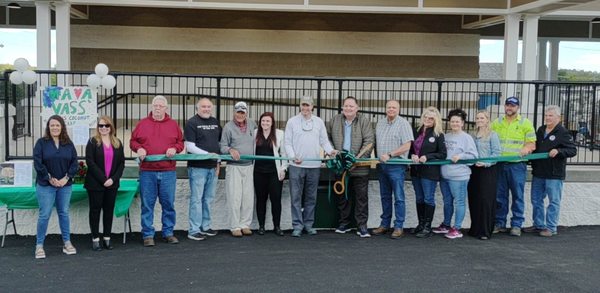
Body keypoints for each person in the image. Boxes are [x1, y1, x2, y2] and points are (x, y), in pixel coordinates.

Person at [130, 95, 184, 247]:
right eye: (155, 105)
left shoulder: (173, 125)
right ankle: (148, 234)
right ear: (152, 107)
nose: (158, 108)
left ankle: (168, 233)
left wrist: (175, 148)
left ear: (166, 108)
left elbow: (181, 142)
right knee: (147, 204)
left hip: (168, 171)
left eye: (161, 106)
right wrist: (139, 148)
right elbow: (133, 141)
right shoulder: (142, 124)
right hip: (147, 171)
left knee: (168, 204)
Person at [284, 96, 337, 237]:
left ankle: (308, 224)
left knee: (311, 197)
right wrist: (293, 156)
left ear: (312, 107)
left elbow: (324, 141)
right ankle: (297, 225)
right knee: (295, 197)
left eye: (308, 105)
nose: (305, 108)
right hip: (296, 165)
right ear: (300, 106)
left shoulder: (319, 122)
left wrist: (330, 151)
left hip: (314, 166)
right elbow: (287, 143)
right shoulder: (292, 122)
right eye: (303, 105)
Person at [327, 96, 374, 238]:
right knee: (342, 197)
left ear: (357, 108)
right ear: (342, 108)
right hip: (340, 166)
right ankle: (344, 224)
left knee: (361, 198)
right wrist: (333, 153)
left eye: (351, 106)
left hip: (360, 167)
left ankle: (362, 226)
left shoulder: (364, 121)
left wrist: (356, 160)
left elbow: (369, 142)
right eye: (346, 106)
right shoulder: (335, 120)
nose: (348, 108)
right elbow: (326, 138)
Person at [526, 105, 576, 237]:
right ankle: (538, 225)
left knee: (554, 201)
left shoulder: (563, 132)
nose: (547, 118)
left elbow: (572, 150)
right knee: (536, 200)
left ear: (558, 117)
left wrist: (559, 151)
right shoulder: (541, 130)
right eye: (546, 115)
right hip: (539, 172)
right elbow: (535, 147)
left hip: (554, 174)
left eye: (550, 116)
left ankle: (551, 227)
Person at [33, 115, 78, 259]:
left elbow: (74, 163)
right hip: (46, 185)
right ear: (48, 127)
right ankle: (39, 246)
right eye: (52, 125)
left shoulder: (68, 144)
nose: (55, 128)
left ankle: (67, 243)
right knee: (44, 215)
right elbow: (38, 163)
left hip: (65, 185)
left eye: (57, 125)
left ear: (62, 127)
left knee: (63, 213)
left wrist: (66, 178)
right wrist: (50, 178)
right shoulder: (41, 143)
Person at [491, 97, 536, 237]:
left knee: (517, 195)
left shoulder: (525, 123)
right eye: (507, 105)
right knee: (499, 196)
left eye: (513, 105)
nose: (509, 108)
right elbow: (489, 138)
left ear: (518, 107)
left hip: (517, 165)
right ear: (504, 106)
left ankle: (516, 224)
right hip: (500, 164)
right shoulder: (497, 122)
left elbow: (531, 143)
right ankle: (500, 223)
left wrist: (526, 149)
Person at [373, 100, 414, 239]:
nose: (391, 109)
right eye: (389, 107)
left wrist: (390, 154)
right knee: (384, 196)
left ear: (399, 109)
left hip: (396, 165)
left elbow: (407, 146)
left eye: (394, 107)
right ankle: (384, 224)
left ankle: (398, 226)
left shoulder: (403, 124)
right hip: (382, 166)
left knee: (399, 197)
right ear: (385, 109)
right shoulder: (380, 123)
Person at [84, 116, 125, 251]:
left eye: (106, 126)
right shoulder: (92, 142)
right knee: (95, 211)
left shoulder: (117, 143)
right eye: (101, 126)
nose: (103, 128)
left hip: (112, 184)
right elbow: (90, 162)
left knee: (108, 211)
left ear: (111, 127)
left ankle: (107, 238)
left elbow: (121, 164)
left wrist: (112, 179)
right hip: (96, 184)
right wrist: (103, 179)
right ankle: (95, 238)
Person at [436, 109, 478, 239]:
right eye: (452, 121)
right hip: (445, 175)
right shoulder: (446, 136)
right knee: (447, 202)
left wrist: (461, 156)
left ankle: (457, 228)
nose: (454, 123)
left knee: (459, 202)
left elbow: (474, 156)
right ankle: (446, 225)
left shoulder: (467, 138)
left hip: (459, 176)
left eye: (457, 122)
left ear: (462, 123)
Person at [184, 98, 222, 241]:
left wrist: (218, 161)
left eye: (208, 107)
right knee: (196, 200)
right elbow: (189, 146)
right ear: (197, 108)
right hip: (197, 168)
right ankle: (193, 230)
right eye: (203, 107)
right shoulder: (192, 123)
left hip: (213, 167)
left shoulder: (215, 122)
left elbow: (218, 143)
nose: (206, 109)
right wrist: (208, 155)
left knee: (208, 199)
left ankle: (205, 227)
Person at [220, 101, 257, 237]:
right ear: (234, 112)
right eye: (238, 112)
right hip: (234, 166)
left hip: (249, 166)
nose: (240, 114)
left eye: (243, 112)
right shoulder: (228, 127)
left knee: (248, 198)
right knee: (235, 197)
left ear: (246, 113)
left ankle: (245, 224)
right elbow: (222, 146)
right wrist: (230, 150)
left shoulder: (252, 124)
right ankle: (235, 226)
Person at [409, 107, 446, 238]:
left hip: (429, 172)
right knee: (419, 198)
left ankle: (427, 226)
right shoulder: (416, 131)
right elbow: (410, 148)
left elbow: (443, 154)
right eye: (426, 117)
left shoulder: (438, 134)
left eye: (431, 118)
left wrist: (428, 157)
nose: (427, 120)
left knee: (428, 198)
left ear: (436, 120)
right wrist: (412, 155)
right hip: (416, 171)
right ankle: (420, 224)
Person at [467, 110, 501, 240]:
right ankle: (475, 229)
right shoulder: (472, 135)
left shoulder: (493, 135)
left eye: (482, 118)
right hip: (474, 171)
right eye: (477, 118)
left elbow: (496, 154)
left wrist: (485, 163)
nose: (479, 120)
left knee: (486, 200)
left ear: (487, 120)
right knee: (474, 199)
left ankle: (485, 231)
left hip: (488, 171)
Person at [253, 112, 287, 236]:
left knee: (276, 200)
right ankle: (261, 226)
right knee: (261, 199)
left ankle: (277, 226)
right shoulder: (255, 133)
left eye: (268, 121)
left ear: (272, 123)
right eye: (263, 121)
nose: (265, 123)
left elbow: (284, 153)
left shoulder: (279, 134)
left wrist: (283, 168)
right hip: (258, 172)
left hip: (274, 173)